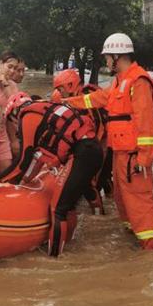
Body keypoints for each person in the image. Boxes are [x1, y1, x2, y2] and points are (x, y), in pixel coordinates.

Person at [62, 33, 153, 250]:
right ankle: (133, 237)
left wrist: (144, 156)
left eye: (107, 57)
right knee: (122, 198)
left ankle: (149, 248)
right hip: (120, 151)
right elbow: (96, 99)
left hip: (134, 155)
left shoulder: (138, 80)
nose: (105, 61)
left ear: (117, 56)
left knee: (139, 200)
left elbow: (146, 123)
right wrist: (67, 103)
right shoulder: (119, 81)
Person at [0, 93, 103, 256]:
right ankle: (99, 219)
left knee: (58, 209)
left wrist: (0, 181)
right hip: (93, 150)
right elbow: (36, 159)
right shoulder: (46, 112)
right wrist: (24, 181)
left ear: (14, 113)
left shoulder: (27, 116)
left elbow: (22, 162)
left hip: (82, 155)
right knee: (80, 190)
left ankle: (54, 258)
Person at [51, 69, 106, 214]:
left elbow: (98, 129)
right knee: (88, 182)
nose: (59, 91)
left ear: (69, 85)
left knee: (96, 182)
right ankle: (100, 212)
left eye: (60, 88)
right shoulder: (71, 101)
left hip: (101, 145)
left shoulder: (85, 102)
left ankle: (100, 216)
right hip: (93, 146)